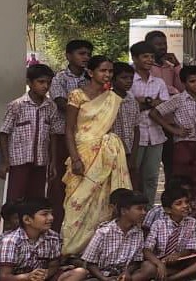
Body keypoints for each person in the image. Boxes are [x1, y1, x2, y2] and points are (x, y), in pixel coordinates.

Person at [62, 55, 132, 255]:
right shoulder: (77, 95)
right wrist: (75, 159)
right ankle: (71, 251)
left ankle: (96, 252)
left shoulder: (112, 96)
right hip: (83, 152)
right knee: (77, 202)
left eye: (110, 71)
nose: (107, 74)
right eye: (103, 70)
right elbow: (69, 129)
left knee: (103, 202)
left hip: (106, 155)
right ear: (91, 73)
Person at [48, 39, 93, 231]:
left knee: (83, 178)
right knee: (60, 180)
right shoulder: (59, 78)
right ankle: (57, 224)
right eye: (81, 53)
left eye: (88, 54)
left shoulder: (90, 78)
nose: (86, 57)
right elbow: (60, 103)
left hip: (85, 137)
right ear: (68, 56)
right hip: (61, 135)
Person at [150, 65, 196, 192]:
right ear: (183, 83)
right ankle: (181, 205)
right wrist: (173, 130)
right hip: (182, 143)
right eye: (192, 81)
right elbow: (154, 113)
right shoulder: (178, 99)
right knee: (181, 179)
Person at [0, 64, 57, 203]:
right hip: (19, 162)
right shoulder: (17, 105)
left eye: (48, 82)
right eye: (41, 82)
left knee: (36, 200)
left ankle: (31, 224)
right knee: (15, 199)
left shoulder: (50, 107)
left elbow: (53, 135)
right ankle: (12, 225)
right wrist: (5, 161)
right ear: (29, 83)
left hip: (41, 162)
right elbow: (4, 134)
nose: (45, 86)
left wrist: (53, 162)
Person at [0, 198, 87, 281]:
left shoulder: (53, 237)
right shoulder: (10, 241)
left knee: (80, 272)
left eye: (51, 213)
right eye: (44, 214)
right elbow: (4, 277)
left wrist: (46, 274)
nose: (51, 218)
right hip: (21, 279)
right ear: (27, 220)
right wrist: (28, 277)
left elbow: (54, 265)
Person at [141, 187, 196, 281]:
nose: (185, 206)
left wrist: (178, 255)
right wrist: (159, 264)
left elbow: (190, 248)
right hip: (162, 262)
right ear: (168, 210)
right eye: (179, 203)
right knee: (147, 267)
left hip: (182, 261)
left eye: (186, 202)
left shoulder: (191, 222)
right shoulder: (158, 224)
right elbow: (146, 250)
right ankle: (193, 273)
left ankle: (173, 278)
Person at [129, 41, 170, 206]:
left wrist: (143, 102)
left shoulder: (158, 82)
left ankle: (148, 211)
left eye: (151, 56)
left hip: (156, 136)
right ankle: (132, 211)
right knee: (133, 175)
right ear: (135, 58)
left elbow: (165, 107)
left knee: (152, 177)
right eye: (145, 56)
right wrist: (151, 102)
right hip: (135, 137)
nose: (149, 59)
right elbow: (130, 106)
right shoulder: (128, 80)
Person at [81, 191, 149, 281]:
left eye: (145, 209)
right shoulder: (103, 232)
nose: (144, 213)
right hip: (100, 276)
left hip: (122, 276)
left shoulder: (138, 233)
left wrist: (127, 272)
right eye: (139, 209)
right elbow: (89, 263)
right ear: (124, 211)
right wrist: (103, 278)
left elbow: (136, 261)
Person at [146, 30, 182, 190]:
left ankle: (171, 200)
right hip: (150, 123)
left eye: (164, 44)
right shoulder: (146, 67)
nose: (162, 47)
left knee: (172, 166)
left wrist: (177, 66)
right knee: (149, 171)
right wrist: (171, 91)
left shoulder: (170, 67)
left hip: (170, 122)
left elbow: (181, 89)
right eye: (158, 44)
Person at [111, 62, 140, 187]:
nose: (128, 81)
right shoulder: (107, 100)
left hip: (128, 151)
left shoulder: (132, 102)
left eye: (130, 78)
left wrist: (133, 155)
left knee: (131, 184)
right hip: (112, 153)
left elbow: (136, 129)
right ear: (113, 79)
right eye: (124, 78)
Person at [0, 202, 21, 281]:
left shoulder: (48, 237)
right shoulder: (2, 240)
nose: (21, 220)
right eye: (16, 218)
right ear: (8, 221)